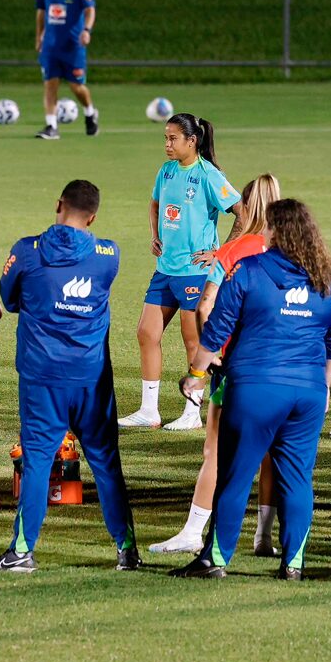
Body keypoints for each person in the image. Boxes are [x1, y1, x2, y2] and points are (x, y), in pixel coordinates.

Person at [175, 199, 331, 580]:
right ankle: (294, 563)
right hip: (307, 394)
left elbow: (218, 329)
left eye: (268, 227)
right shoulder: (329, 281)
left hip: (255, 388)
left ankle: (216, 559)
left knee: (236, 475)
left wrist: (195, 375)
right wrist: (322, 385)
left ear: (276, 231)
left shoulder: (249, 271)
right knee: (298, 478)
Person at [0, 180, 138, 572]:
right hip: (92, 378)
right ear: (93, 217)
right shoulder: (108, 256)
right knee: (106, 462)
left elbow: (11, 298)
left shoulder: (26, 251)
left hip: (43, 377)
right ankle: (127, 550)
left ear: (58, 205)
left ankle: (21, 551)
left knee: (37, 462)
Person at [149, 174, 279, 557]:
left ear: (249, 205)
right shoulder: (293, 251)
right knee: (271, 453)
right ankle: (264, 537)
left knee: (216, 452)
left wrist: (209, 358)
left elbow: (206, 306)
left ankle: (194, 531)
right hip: (282, 367)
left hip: (236, 367)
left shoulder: (233, 250)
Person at [123, 114, 240, 431]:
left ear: (192, 141)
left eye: (173, 138)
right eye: (165, 138)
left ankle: (192, 413)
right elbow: (154, 204)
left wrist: (219, 252)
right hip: (165, 269)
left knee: (194, 341)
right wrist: (155, 235)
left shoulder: (208, 174)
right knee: (146, 334)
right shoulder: (167, 170)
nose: (167, 144)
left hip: (194, 273)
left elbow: (242, 214)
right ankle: (149, 411)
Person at [33, 0, 100, 140]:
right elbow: (40, 12)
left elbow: (90, 10)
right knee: (50, 84)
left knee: (76, 86)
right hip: (51, 46)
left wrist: (86, 30)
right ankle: (51, 126)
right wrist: (39, 37)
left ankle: (89, 112)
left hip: (73, 44)